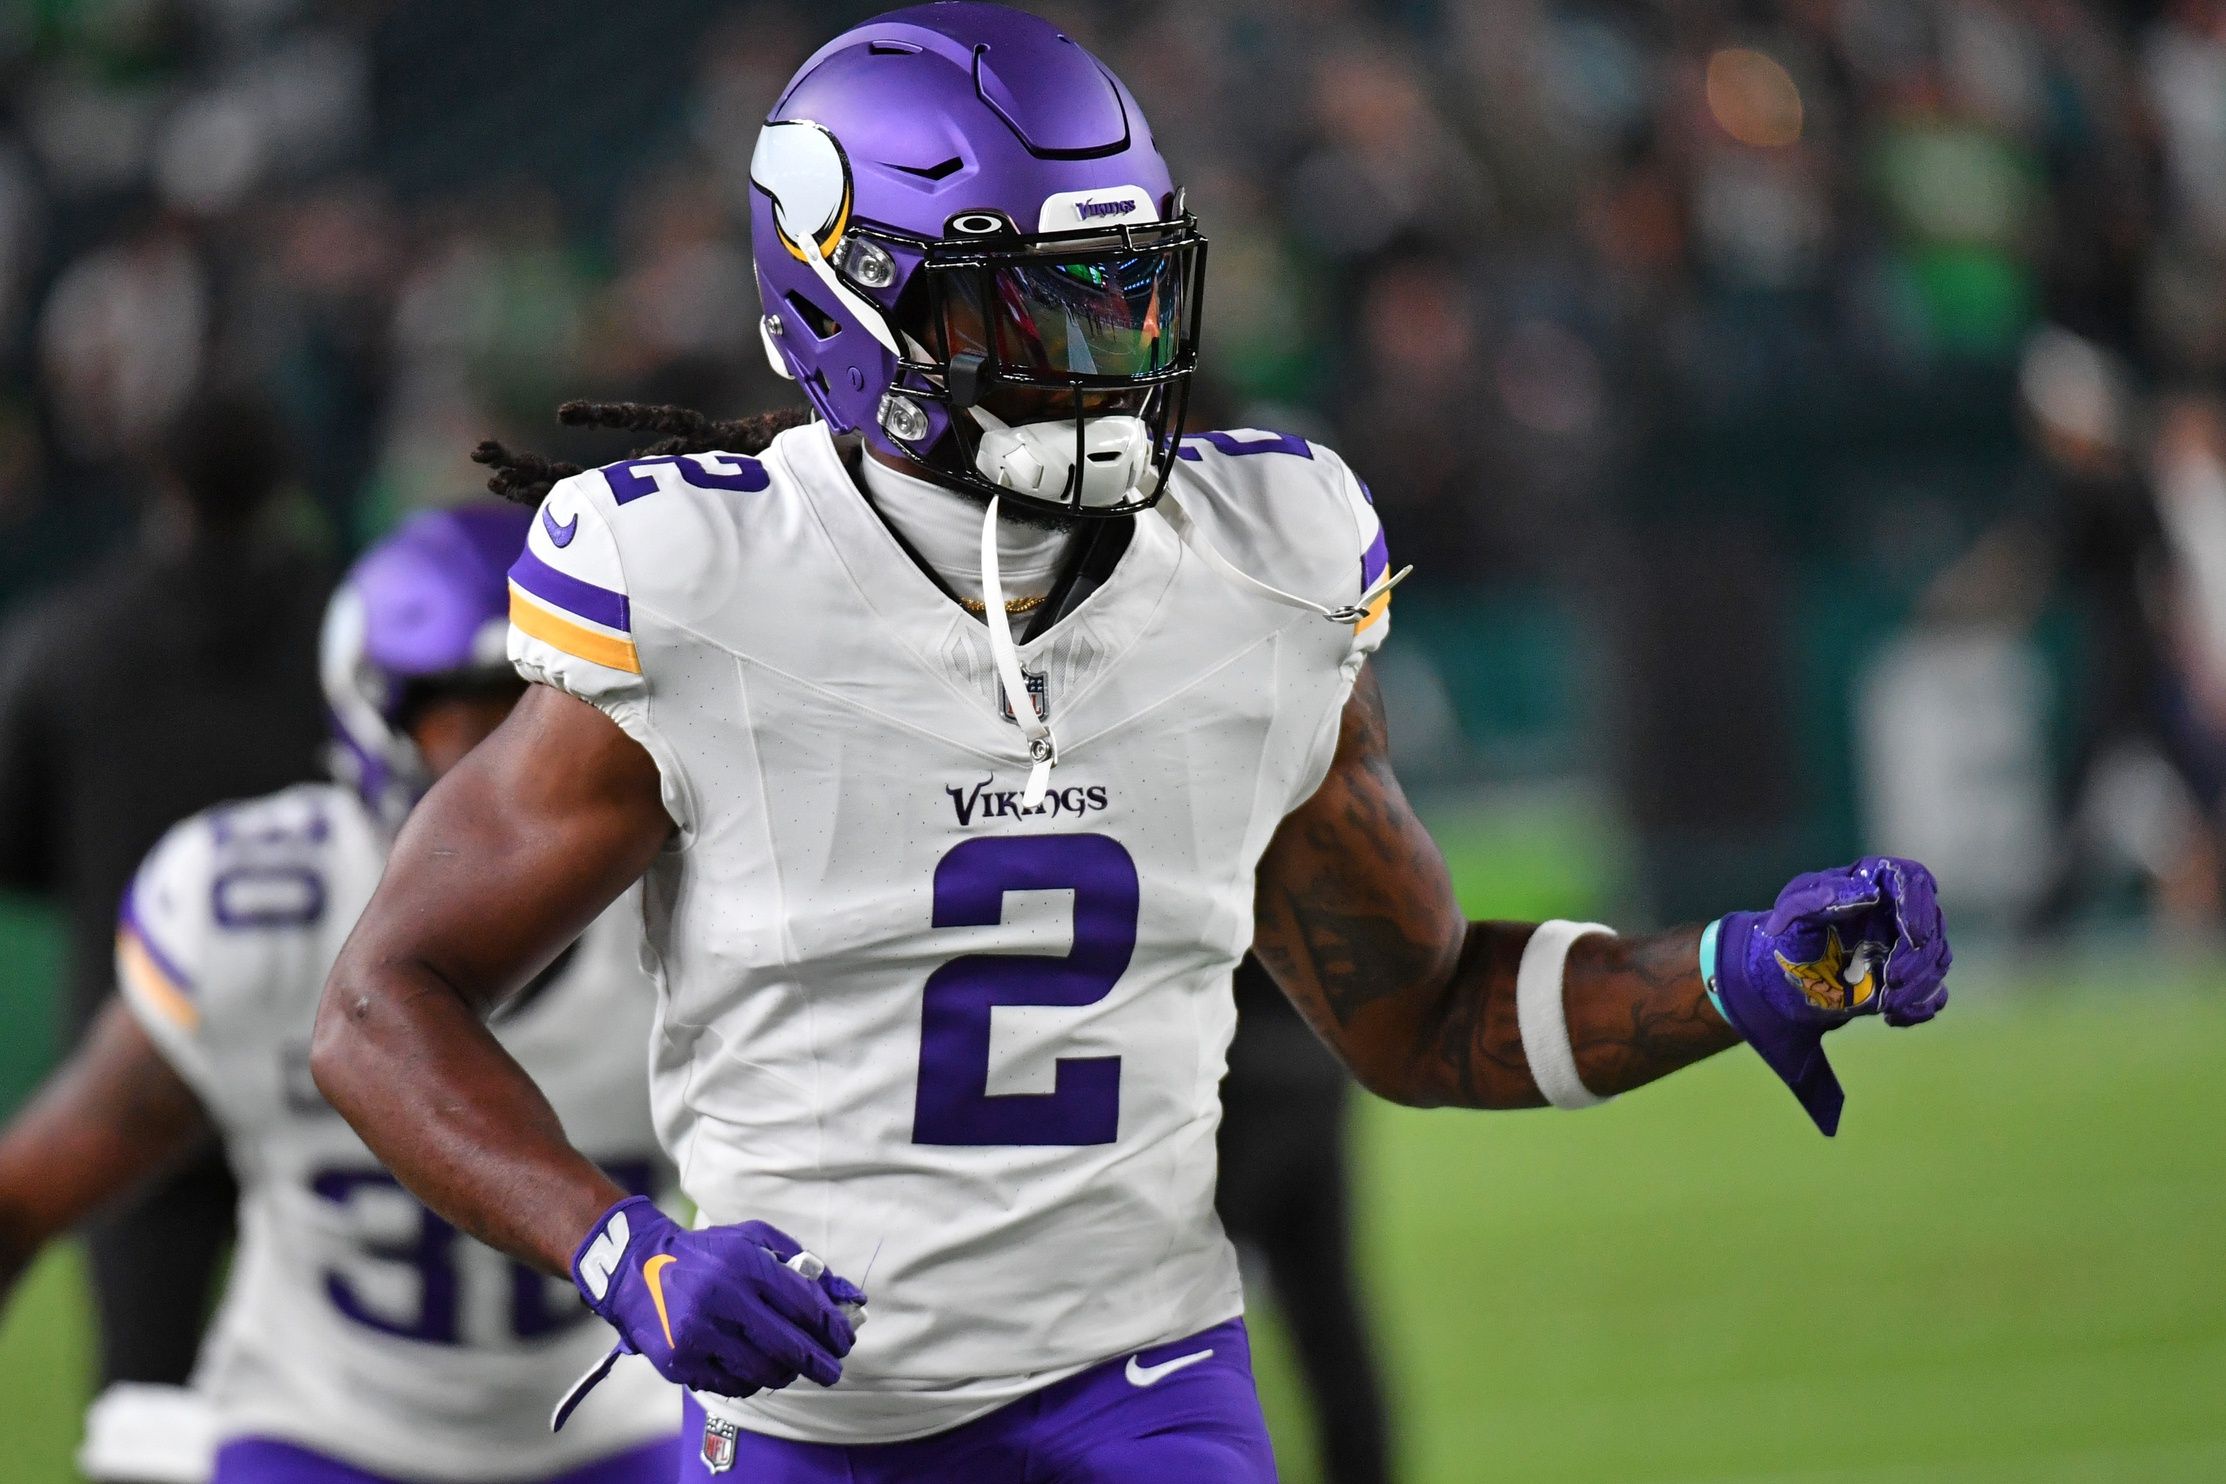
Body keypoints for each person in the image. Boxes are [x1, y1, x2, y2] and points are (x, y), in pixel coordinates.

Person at [310, 8, 1955, 1481]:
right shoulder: (705, 588)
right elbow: (384, 1003)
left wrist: (1735, 971)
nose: (1106, 366)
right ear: (842, 307)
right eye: (1025, 314)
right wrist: (622, 1249)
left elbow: (1417, 1007)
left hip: (1143, 1382)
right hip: (818, 1418)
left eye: (1127, 297)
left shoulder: (1263, 559)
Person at [0, 507, 682, 1484]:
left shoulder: (689, 904)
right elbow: (23, 1196)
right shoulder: (261, 915)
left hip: (614, 1424)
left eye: (549, 711)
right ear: (378, 719)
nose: (515, 762)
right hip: (324, 1430)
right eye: (470, 713)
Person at [0, 388, 331, 1393]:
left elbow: (15, 849)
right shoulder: (341, 634)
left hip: (136, 1051)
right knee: (337, 1404)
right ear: (283, 482)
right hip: (323, 1061)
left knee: (143, 1390)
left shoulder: (72, 640)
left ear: (162, 479)